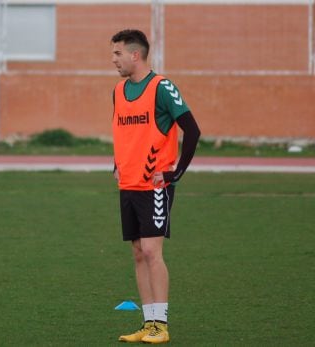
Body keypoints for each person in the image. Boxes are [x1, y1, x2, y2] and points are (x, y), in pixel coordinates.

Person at [110, 29, 201, 344]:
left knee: (151, 250)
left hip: (154, 185)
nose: (114, 60)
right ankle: (148, 324)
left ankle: (161, 325)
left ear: (135, 55)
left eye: (118, 54)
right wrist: (116, 164)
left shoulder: (162, 87)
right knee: (137, 253)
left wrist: (175, 173)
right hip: (129, 184)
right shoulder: (119, 90)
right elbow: (123, 132)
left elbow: (192, 129)